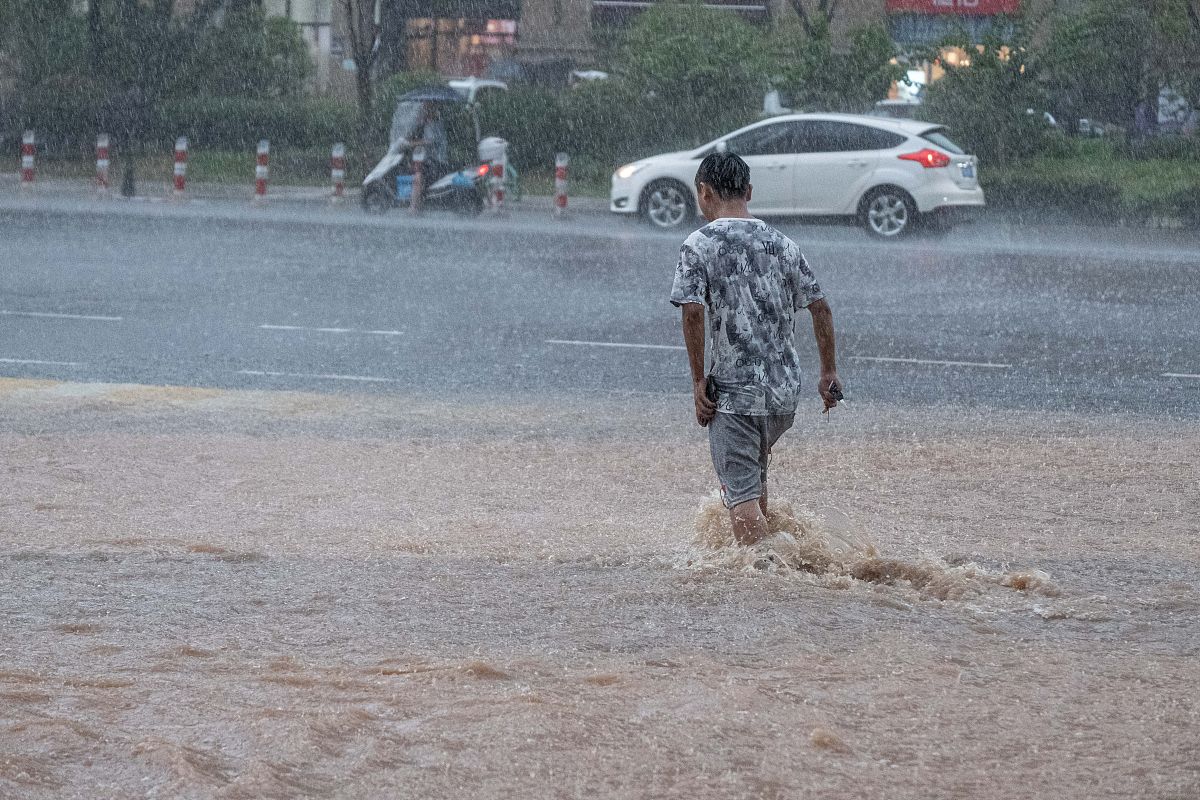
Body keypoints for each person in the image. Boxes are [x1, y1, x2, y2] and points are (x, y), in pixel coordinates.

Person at [670, 151, 842, 553]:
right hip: (783, 398)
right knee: (754, 484)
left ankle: (771, 578)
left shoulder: (698, 245)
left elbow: (692, 313)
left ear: (704, 192)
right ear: (748, 191)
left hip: (734, 399)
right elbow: (821, 307)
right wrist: (828, 372)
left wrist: (698, 381)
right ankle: (772, 564)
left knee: (742, 506)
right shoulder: (782, 244)